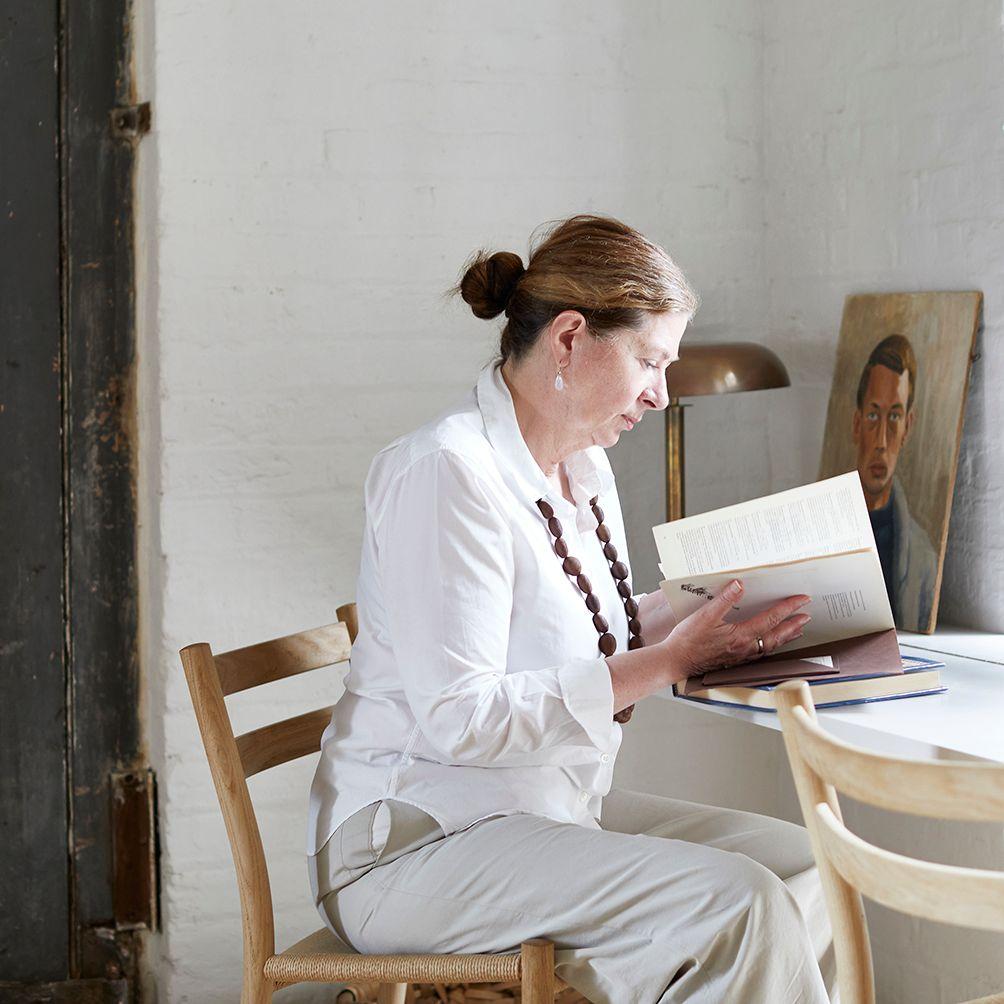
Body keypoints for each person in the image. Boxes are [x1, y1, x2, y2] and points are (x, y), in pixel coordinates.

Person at [308, 215, 834, 1002]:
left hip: (544, 808)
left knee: (808, 862)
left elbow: (595, 625)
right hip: (414, 847)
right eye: (650, 361)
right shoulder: (446, 474)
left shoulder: (582, 468)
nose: (660, 395)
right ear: (570, 339)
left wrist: (717, 607)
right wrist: (667, 664)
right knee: (741, 905)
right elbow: (460, 717)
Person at [852, 334, 938, 631]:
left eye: (894, 417)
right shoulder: (817, 534)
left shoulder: (923, 560)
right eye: (874, 415)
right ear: (857, 424)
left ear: (907, 428)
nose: (881, 442)